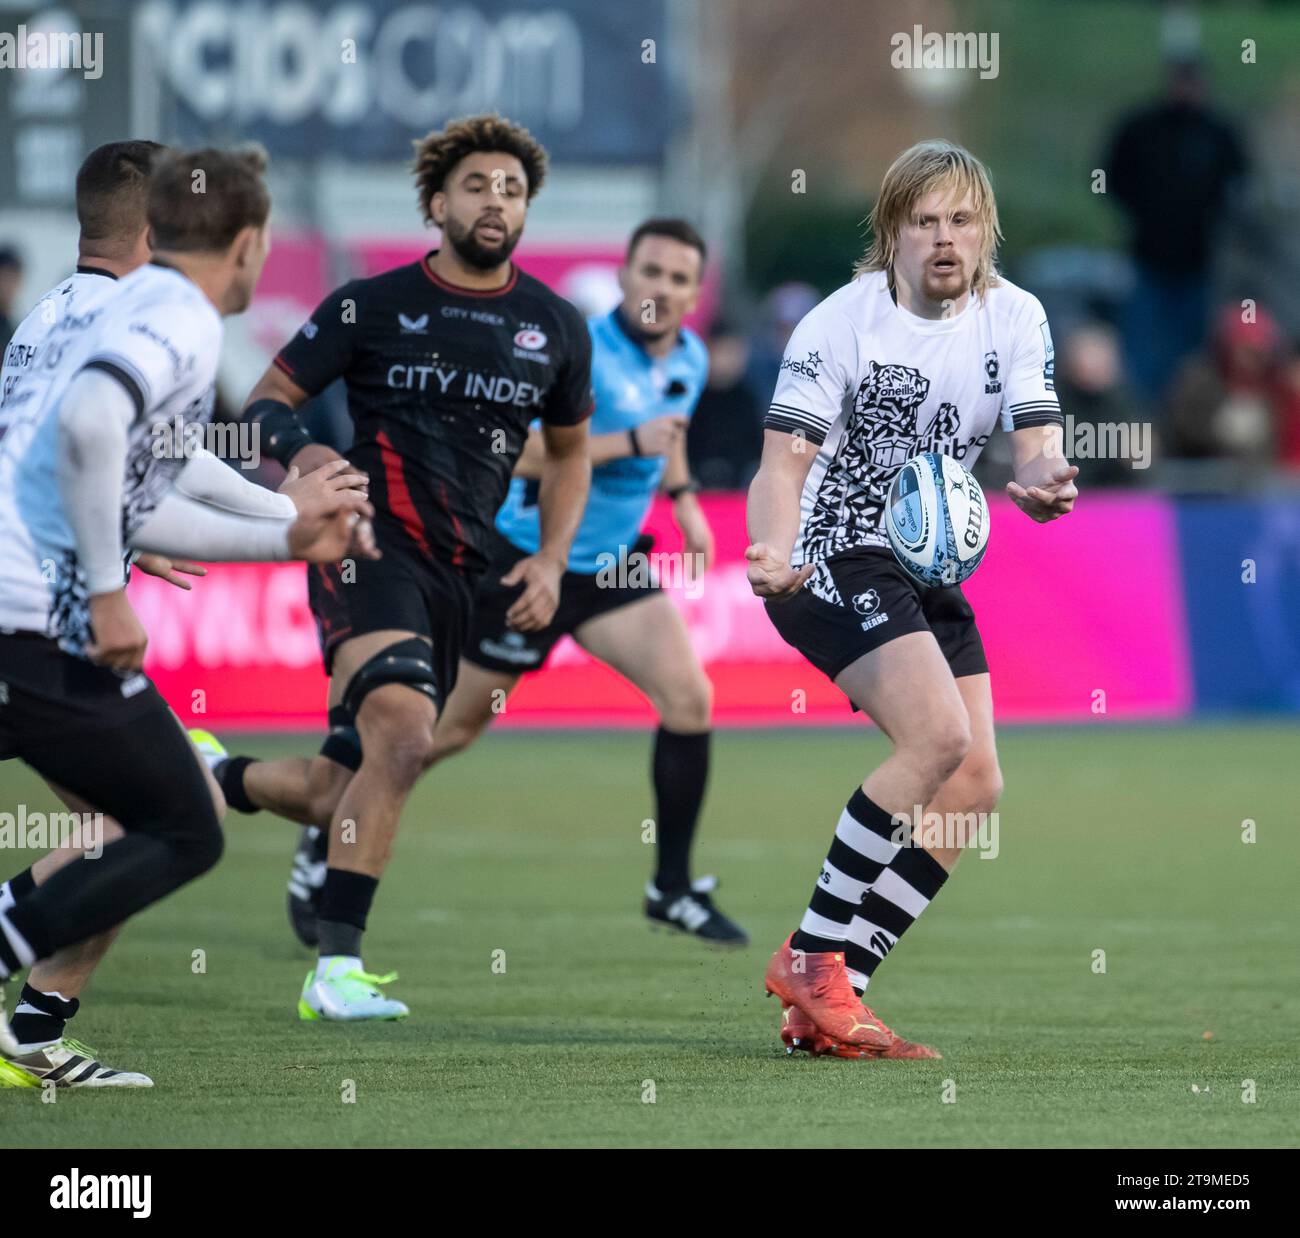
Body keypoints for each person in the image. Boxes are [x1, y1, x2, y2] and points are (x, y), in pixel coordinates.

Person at [226, 218, 748, 949]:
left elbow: (673, 431)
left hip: (605, 568)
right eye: (650, 272)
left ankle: (671, 888)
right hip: (521, 561)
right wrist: (627, 443)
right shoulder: (580, 345)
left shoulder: (687, 356)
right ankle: (329, 823)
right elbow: (526, 450)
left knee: (690, 698)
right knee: (439, 733)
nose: (661, 288)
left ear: (695, 294)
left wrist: (687, 501)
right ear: (625, 276)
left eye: (677, 278)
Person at [212, 115, 594, 1021]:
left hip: (462, 576)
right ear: (435, 204)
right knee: (409, 735)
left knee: (335, 787)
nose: (495, 201)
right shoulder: (367, 305)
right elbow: (265, 402)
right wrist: (306, 461)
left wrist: (550, 557)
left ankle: (215, 778)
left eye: (511, 190)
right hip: (365, 549)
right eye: (476, 187)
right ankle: (337, 971)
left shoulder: (554, 325)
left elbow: (571, 455)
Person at [0, 145, 374, 1062]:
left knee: (142, 817)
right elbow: (94, 429)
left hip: (34, 614)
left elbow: (118, 462)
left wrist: (275, 526)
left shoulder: (53, 313)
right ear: (244, 242)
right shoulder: (169, 316)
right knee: (180, 818)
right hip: (37, 621)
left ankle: (36, 1033)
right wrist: (103, 578)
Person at [746, 140, 1077, 1060]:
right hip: (825, 552)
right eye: (923, 220)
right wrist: (771, 547)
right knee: (935, 739)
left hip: (924, 565)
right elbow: (784, 464)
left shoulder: (1016, 317)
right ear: (890, 232)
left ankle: (830, 995)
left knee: (972, 785)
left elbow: (1038, 442)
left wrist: (1046, 480)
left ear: (986, 233)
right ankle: (812, 957)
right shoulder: (838, 325)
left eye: (961, 220)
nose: (944, 237)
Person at [1103, 55, 1248, 404]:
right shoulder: (1142, 129)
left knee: (1189, 352)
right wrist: (1142, 213)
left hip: (1198, 262)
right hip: (1148, 259)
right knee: (1142, 349)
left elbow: (1238, 187)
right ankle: (1139, 416)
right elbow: (1112, 177)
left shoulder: (1217, 133)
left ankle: (1183, 419)